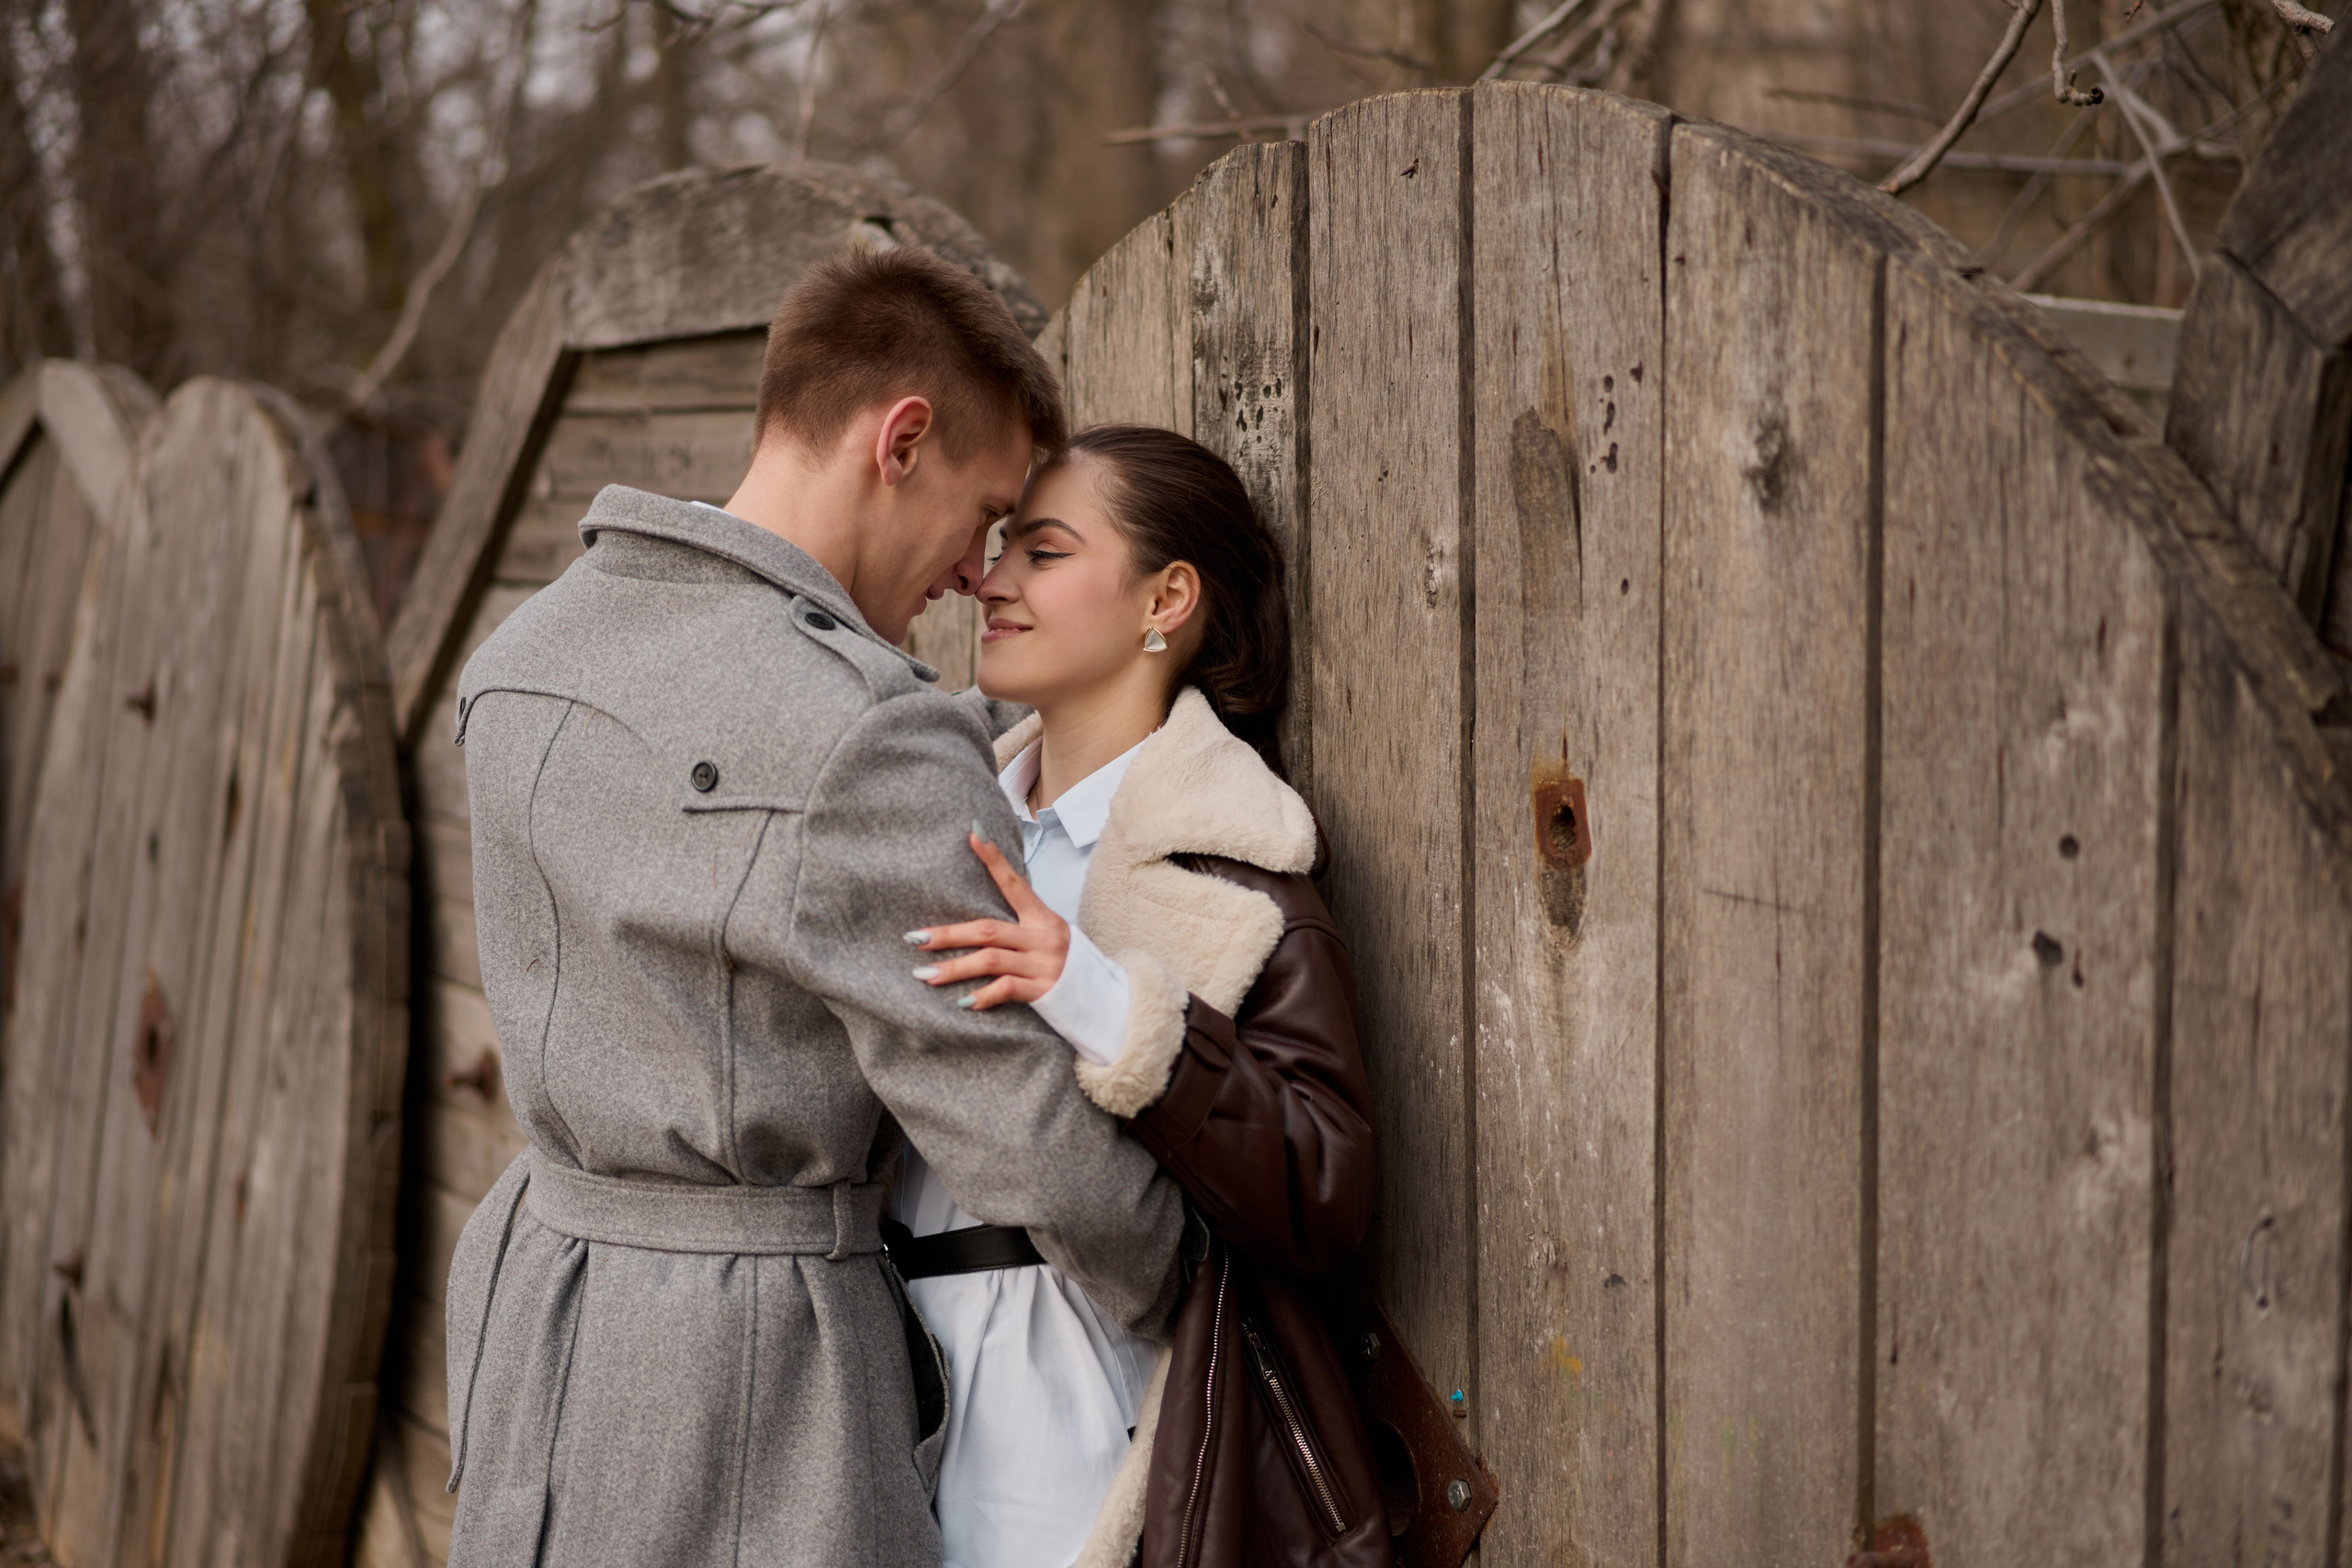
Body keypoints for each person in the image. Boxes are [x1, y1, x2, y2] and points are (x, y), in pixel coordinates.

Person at [439, 250, 1185, 1568]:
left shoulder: (521, 659)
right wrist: (1188, 1272)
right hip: (750, 1379)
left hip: (534, 1315)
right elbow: (1020, 1130)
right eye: (985, 510)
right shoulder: (866, 736)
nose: (976, 571)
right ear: (900, 439)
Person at [899, 424, 1392, 1568]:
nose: (990, 577)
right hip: (878, 1400)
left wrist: (1098, 996)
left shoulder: (1235, 876)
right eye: (1001, 545)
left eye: (1045, 552)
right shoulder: (926, 811)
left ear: (1164, 599)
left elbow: (1324, 1190)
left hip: (1080, 1429)